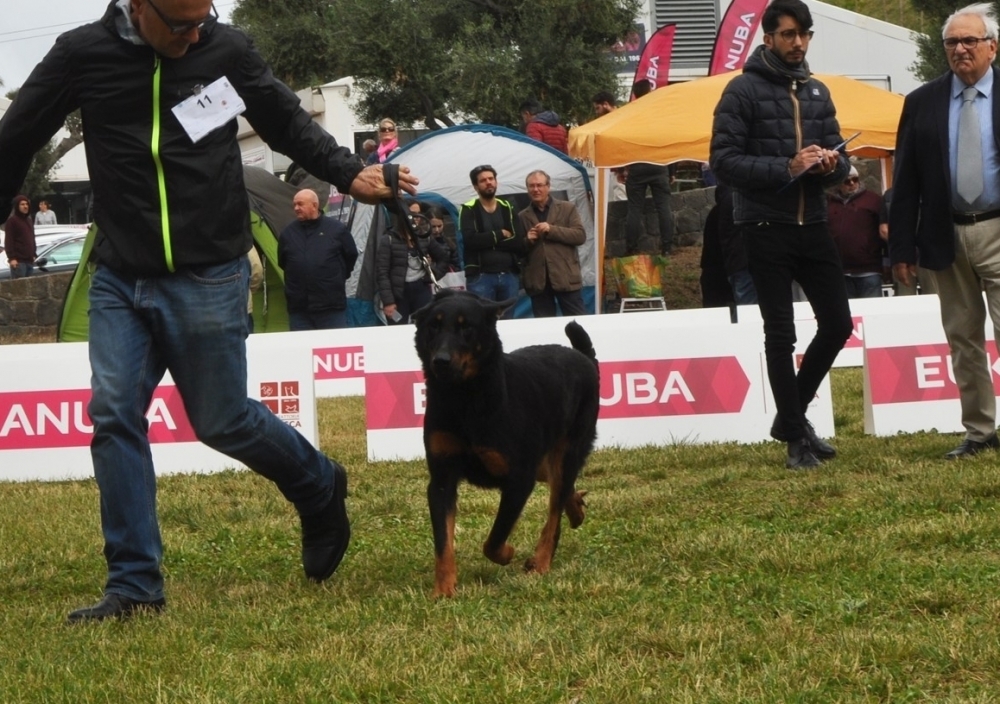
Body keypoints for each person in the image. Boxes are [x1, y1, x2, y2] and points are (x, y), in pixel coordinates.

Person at [0, 0, 418, 623]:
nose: (198, 34)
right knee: (114, 416)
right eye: (183, 25)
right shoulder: (82, 53)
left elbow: (284, 120)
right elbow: (17, 136)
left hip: (210, 270)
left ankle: (318, 482)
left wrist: (349, 171)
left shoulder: (226, 48)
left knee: (223, 421)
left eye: (205, 19)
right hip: (120, 274)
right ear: (139, 7)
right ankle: (135, 585)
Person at [710, 0, 853, 469]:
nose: (798, 43)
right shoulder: (741, 91)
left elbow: (842, 161)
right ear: (768, 38)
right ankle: (796, 439)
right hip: (764, 227)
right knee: (781, 334)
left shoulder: (818, 92)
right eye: (789, 34)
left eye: (804, 34)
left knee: (838, 325)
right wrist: (785, 167)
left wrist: (834, 165)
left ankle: (791, 419)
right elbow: (723, 161)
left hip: (812, 223)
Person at [890, 2, 1000, 459]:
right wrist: (900, 247)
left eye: (970, 41)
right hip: (945, 234)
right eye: (952, 42)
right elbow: (906, 179)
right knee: (962, 337)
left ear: (992, 47)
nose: (960, 49)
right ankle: (979, 432)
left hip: (998, 228)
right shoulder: (921, 101)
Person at [279, 189, 358, 330]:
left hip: (331, 308)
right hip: (299, 310)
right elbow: (283, 262)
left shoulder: (337, 230)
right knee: (302, 350)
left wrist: (337, 277)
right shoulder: (288, 233)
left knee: (334, 349)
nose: (296, 208)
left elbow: (351, 256)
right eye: (295, 205)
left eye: (300, 204)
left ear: (314, 205)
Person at [517, 170, 587, 317]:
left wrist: (552, 230)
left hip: (566, 277)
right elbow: (518, 250)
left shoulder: (567, 208)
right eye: (531, 186)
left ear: (548, 187)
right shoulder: (522, 216)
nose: (536, 189)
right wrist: (527, 241)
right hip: (538, 282)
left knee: (578, 323)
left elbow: (580, 236)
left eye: (539, 185)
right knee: (545, 328)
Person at [459, 165, 525, 318]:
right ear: (476, 186)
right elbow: (470, 241)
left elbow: (517, 241)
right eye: (483, 180)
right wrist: (500, 233)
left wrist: (486, 240)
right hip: (481, 277)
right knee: (481, 322)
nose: (488, 182)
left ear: (496, 182)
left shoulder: (507, 207)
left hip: (509, 275)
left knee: (509, 322)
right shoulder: (468, 209)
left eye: (491, 179)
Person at [376, 206, 450, 324]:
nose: (416, 218)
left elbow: (444, 258)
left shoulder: (424, 237)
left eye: (418, 214)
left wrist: (432, 276)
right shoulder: (389, 239)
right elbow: (382, 272)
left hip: (421, 289)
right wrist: (388, 301)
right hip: (399, 294)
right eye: (412, 214)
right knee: (397, 330)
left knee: (426, 327)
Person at [624, 80, 674, 255]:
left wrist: (624, 167)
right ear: (650, 91)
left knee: (634, 209)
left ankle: (632, 248)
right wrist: (671, 170)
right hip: (659, 164)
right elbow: (669, 141)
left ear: (636, 95)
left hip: (637, 166)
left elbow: (623, 142)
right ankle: (667, 247)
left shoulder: (630, 115)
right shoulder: (658, 114)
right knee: (664, 207)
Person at [828, 166, 886, 298]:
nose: (852, 183)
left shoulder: (874, 200)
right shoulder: (828, 203)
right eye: (847, 181)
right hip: (839, 270)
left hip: (869, 269)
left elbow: (884, 230)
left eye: (855, 179)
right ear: (838, 182)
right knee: (845, 315)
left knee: (872, 313)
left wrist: (887, 262)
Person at [4, 195, 36, 279]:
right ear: (17, 206)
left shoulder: (29, 220)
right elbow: (9, 241)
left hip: (29, 261)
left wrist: (34, 254)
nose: (25, 206)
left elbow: (32, 238)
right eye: (22, 204)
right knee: (19, 290)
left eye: (26, 204)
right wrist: (12, 258)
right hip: (19, 262)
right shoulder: (12, 221)